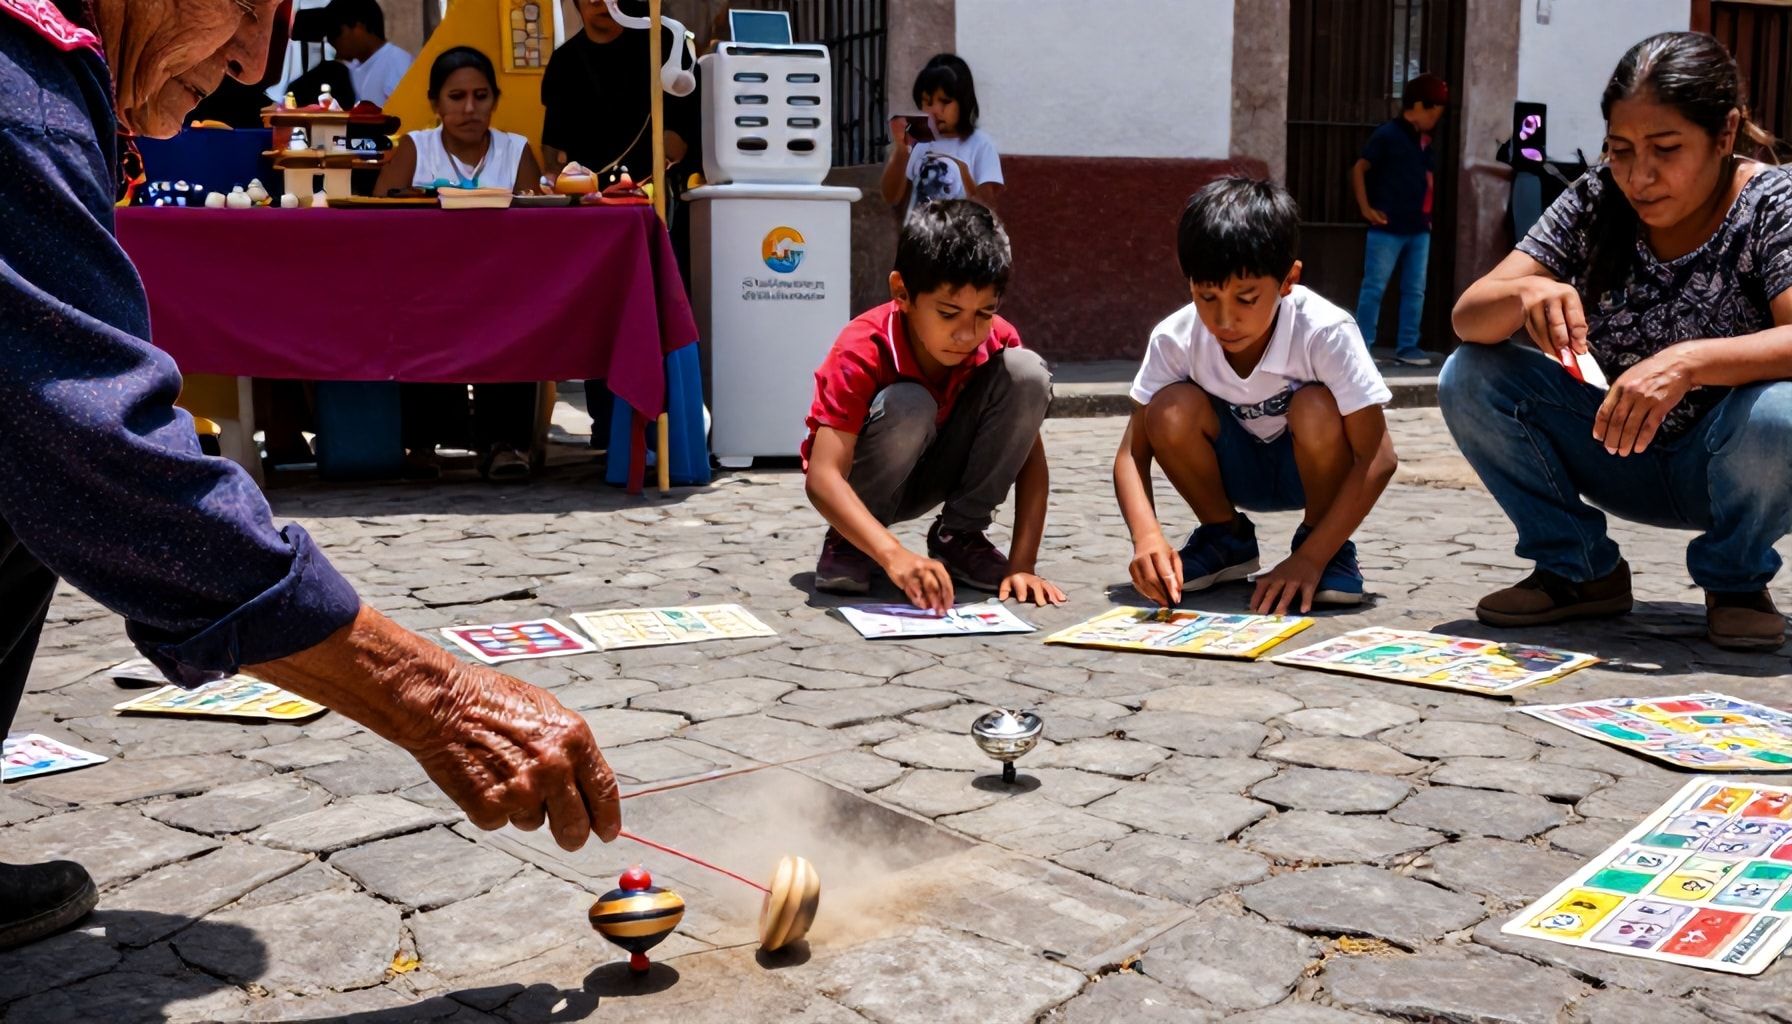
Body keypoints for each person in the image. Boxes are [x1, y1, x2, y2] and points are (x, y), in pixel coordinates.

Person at [0, 0, 619, 951]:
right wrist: (437, 695)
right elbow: (92, 448)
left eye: (282, 23)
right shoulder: (20, 89)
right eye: (248, 7)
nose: (255, 61)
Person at [1442, 31, 1792, 651]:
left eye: (1665, 149)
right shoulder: (1596, 197)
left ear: (1725, 132)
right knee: (1469, 374)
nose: (1640, 175)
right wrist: (1525, 296)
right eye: (1621, 149)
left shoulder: (1773, 201)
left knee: (1783, 413)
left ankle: (1736, 579)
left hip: (1729, 461)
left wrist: (1689, 362)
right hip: (1612, 442)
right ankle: (1580, 570)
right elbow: (1468, 317)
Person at [1115, 177, 1398, 614]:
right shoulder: (1175, 337)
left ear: (1289, 281)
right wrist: (1146, 535)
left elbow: (1378, 456)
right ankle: (1225, 538)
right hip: (1235, 469)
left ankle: (1327, 544)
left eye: (1246, 298)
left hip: (1312, 471)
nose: (1224, 319)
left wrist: (1310, 558)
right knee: (1168, 410)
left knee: (1316, 407)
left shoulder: (1324, 331)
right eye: (1206, 296)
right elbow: (1132, 454)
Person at [802, 200, 1063, 612]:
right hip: (869, 487)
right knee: (909, 403)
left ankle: (958, 537)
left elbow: (1030, 456)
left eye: (984, 313)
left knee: (1026, 372)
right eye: (948, 312)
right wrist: (893, 555)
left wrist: (1023, 564)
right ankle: (849, 540)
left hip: (942, 469)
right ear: (902, 293)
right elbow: (822, 477)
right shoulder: (862, 346)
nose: (966, 333)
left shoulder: (997, 342)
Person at [376, 46, 543, 481]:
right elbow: (378, 217)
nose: (470, 108)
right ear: (435, 103)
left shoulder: (516, 151)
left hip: (502, 286)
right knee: (419, 315)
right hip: (429, 285)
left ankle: (504, 443)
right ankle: (423, 442)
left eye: (481, 95)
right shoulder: (415, 149)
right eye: (456, 97)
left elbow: (538, 227)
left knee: (515, 317)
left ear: (495, 100)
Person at [541, 0, 701, 445]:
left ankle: (660, 428)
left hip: (650, 207)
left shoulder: (664, 48)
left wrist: (635, 183)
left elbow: (677, 139)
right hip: (590, 215)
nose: (600, 5)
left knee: (654, 315)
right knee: (600, 313)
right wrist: (569, 183)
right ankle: (608, 427)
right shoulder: (565, 62)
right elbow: (553, 148)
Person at [1351, 72, 1449, 367]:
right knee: (1374, 288)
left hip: (1419, 229)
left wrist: (1428, 216)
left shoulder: (1424, 142)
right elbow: (1359, 168)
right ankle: (1362, 347)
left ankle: (1408, 347)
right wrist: (1366, 209)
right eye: (1434, 113)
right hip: (1387, 228)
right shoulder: (1387, 135)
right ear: (1418, 106)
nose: (1436, 119)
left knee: (1415, 290)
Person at [882, 53, 1003, 215]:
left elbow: (987, 207)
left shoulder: (980, 144)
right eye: (928, 102)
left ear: (964, 103)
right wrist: (901, 151)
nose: (935, 110)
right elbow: (891, 197)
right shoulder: (920, 144)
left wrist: (962, 170)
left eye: (945, 102)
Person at [324, 0, 412, 107]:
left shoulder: (398, 63)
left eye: (334, 33)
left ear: (359, 27)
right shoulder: (353, 67)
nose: (331, 41)